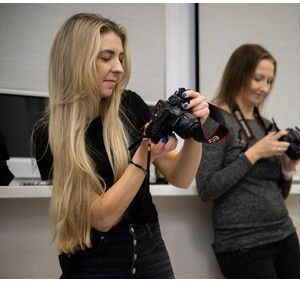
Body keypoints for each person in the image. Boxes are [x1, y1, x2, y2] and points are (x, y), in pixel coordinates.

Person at [32, 13, 209, 279]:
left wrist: (197, 131)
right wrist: (143, 157)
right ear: (75, 60)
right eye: (106, 58)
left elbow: (181, 177)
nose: (119, 68)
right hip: (93, 260)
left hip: (150, 248)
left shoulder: (130, 106)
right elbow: (101, 218)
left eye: (121, 58)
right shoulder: (50, 133)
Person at [196, 44, 300, 279]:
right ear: (239, 74)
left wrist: (288, 169)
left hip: (284, 234)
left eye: (269, 81)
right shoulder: (215, 121)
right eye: (258, 79)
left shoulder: (266, 124)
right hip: (242, 243)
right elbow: (206, 188)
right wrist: (253, 153)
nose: (264, 88)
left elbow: (277, 192)